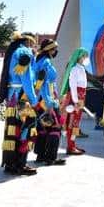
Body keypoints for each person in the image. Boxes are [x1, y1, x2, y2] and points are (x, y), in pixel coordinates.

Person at [0, 33, 39, 176]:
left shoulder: (13, 51)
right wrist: (34, 100)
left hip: (12, 96)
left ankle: (10, 163)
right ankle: (20, 164)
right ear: (28, 41)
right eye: (33, 42)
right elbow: (26, 79)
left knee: (12, 129)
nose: (33, 45)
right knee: (26, 128)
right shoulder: (24, 52)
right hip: (22, 96)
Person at [32, 38, 67, 166]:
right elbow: (45, 84)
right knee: (55, 127)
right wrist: (50, 103)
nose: (56, 51)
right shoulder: (46, 62)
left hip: (41, 98)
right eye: (54, 49)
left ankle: (41, 155)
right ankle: (51, 157)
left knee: (42, 127)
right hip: (47, 98)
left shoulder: (38, 61)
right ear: (49, 50)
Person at [60, 48, 90, 155]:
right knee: (72, 122)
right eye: (84, 56)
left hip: (80, 97)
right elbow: (73, 86)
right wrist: (76, 101)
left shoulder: (81, 68)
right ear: (79, 57)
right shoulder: (74, 69)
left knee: (77, 122)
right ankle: (70, 146)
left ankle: (72, 144)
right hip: (76, 97)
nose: (86, 59)